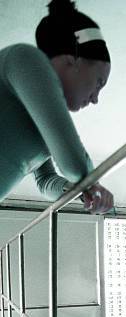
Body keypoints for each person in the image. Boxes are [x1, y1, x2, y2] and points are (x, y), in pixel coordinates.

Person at [0, 0, 114, 213]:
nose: (95, 99)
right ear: (73, 61)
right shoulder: (25, 58)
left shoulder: (38, 113)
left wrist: (81, 191)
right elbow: (73, 164)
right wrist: (91, 183)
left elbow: (45, 181)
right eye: (99, 82)